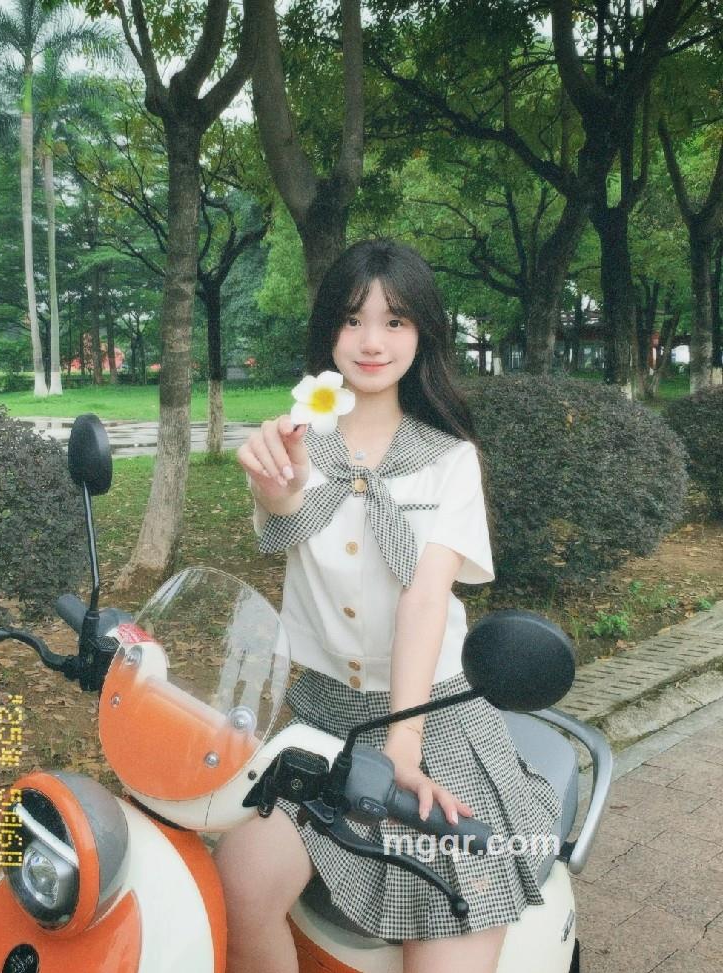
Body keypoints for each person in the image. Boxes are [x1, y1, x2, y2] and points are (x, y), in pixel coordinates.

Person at [214, 239, 562, 973]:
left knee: (445, 937)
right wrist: (273, 489)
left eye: (395, 321)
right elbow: (285, 516)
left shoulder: (449, 460)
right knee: (238, 884)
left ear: (423, 332)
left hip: (433, 724)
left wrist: (403, 747)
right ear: (328, 333)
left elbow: (425, 598)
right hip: (320, 722)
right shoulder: (293, 444)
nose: (371, 341)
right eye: (353, 319)